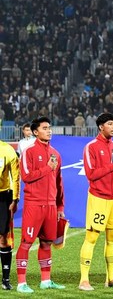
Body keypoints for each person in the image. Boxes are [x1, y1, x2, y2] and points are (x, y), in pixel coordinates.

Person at [15, 117, 66, 293]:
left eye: (50, 127)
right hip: (33, 204)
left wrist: (60, 207)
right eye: (45, 128)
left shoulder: (56, 154)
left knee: (46, 243)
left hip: (51, 206)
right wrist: (47, 167)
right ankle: (21, 283)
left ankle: (46, 281)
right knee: (26, 243)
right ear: (36, 132)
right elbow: (26, 177)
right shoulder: (28, 152)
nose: (49, 130)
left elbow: (59, 184)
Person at [79, 112, 113, 291]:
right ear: (101, 126)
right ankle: (84, 280)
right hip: (98, 198)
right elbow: (91, 175)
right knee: (91, 237)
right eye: (110, 124)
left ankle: (111, 278)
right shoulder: (91, 147)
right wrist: (111, 166)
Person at [0, 139, 19, 290]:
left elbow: (16, 177)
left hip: (2, 198)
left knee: (3, 238)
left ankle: (5, 280)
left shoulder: (7, 150)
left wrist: (15, 198)